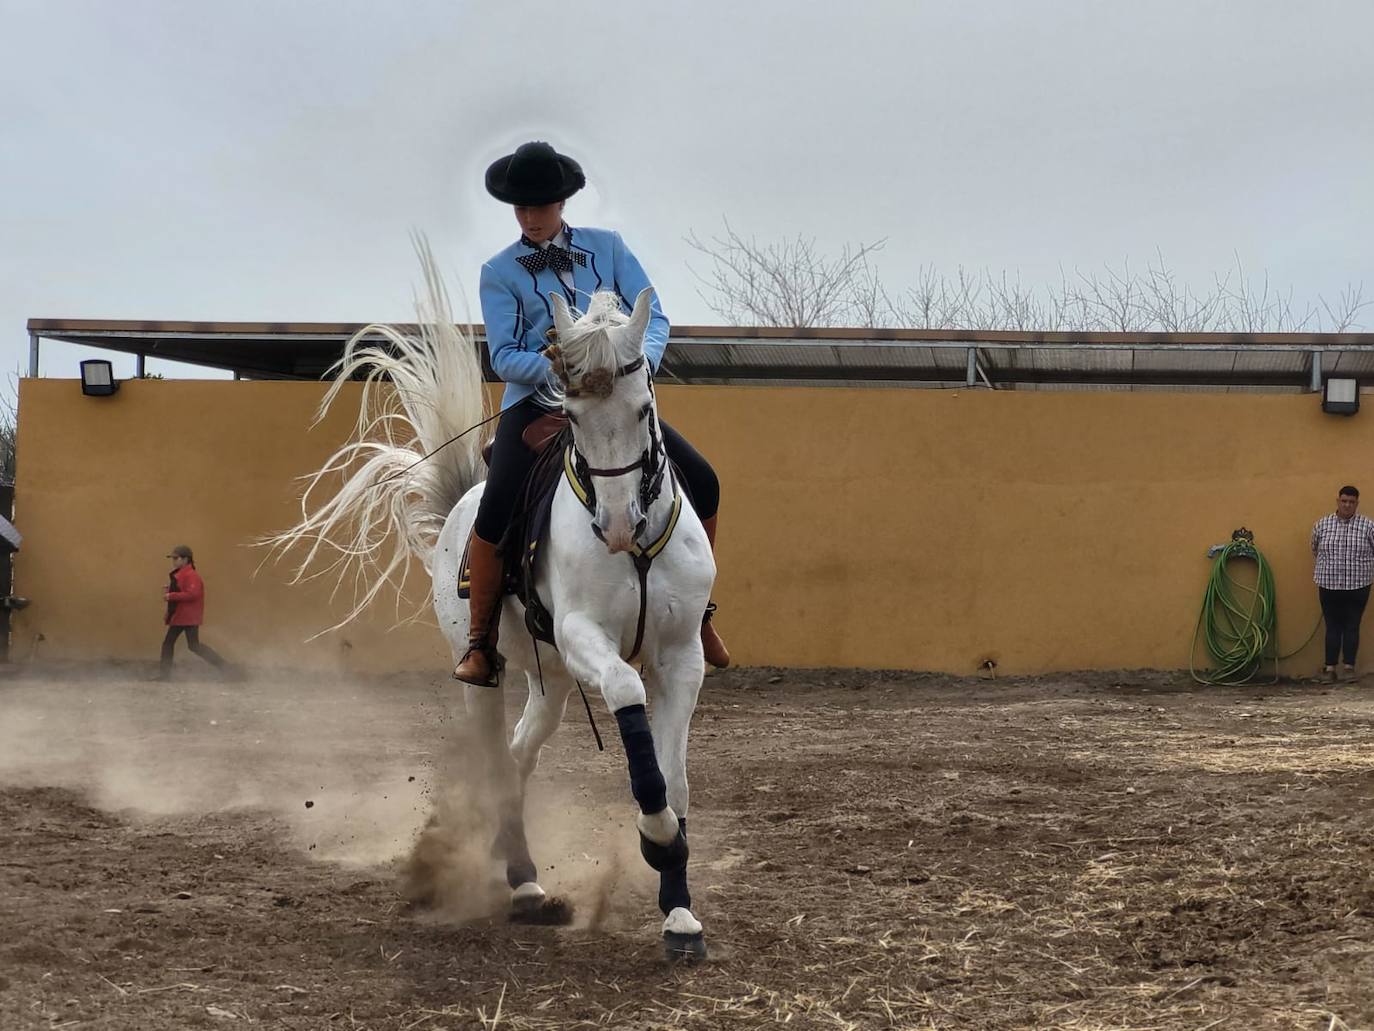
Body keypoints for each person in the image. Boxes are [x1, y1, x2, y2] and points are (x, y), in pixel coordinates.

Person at [453, 141, 729, 686]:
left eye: (539, 206)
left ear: (561, 203)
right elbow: (503, 356)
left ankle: (697, 615)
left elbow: (656, 317)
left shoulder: (610, 248)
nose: (530, 218)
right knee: (497, 503)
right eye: (520, 208)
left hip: (619, 401)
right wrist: (562, 369)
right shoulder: (498, 271)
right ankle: (481, 640)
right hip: (539, 404)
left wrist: (636, 365)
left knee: (703, 479)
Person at [1311, 486, 1374, 681]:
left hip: (1358, 584)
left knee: (1352, 625)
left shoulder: (1368, 526)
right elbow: (1315, 549)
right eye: (1344, 501)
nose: (1347, 505)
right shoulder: (1322, 525)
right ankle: (1330, 669)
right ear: (1338, 501)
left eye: (1351, 502)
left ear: (1357, 503)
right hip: (1329, 584)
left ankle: (1349, 669)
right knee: (1332, 626)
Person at [156, 545, 231, 680]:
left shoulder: (191, 575)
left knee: (184, 645)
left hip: (186, 617)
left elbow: (193, 594)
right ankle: (227, 669)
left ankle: (164, 675)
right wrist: (171, 592)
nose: (174, 561)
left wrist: (171, 595)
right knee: (189, 645)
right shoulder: (185, 574)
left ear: (186, 559)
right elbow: (185, 591)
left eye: (176, 558)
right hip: (184, 617)